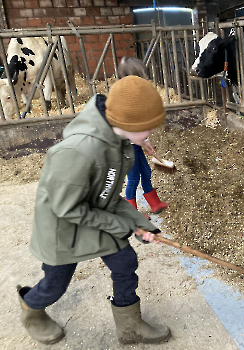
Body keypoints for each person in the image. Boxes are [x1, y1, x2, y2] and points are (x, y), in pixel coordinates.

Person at [17, 76, 171, 345]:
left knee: (124, 263)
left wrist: (139, 223)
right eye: (147, 128)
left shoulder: (120, 144)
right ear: (127, 123)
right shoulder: (77, 151)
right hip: (64, 227)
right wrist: (122, 226)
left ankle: (130, 327)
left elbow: (108, 198)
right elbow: (67, 208)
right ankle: (31, 308)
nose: (150, 134)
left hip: (93, 217)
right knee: (55, 284)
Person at [118, 56, 167, 214]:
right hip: (125, 147)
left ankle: (154, 203)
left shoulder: (135, 98)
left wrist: (145, 141)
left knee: (146, 172)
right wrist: (139, 140)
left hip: (135, 146)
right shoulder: (123, 100)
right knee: (133, 178)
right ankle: (132, 214)